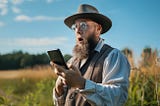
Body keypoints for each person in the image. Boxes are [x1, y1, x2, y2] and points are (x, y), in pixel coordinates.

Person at [51, 4, 130, 106]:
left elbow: (117, 98)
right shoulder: (72, 61)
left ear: (98, 29)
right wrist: (59, 89)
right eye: (75, 27)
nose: (78, 31)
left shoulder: (112, 56)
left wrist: (81, 83)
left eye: (83, 25)